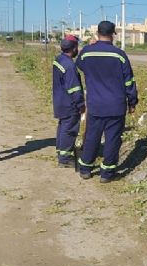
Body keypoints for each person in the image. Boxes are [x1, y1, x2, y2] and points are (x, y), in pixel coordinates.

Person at [76, 21, 138, 183]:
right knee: (113, 139)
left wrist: (90, 46)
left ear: (97, 33)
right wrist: (132, 101)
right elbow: (129, 82)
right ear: (113, 34)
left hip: (96, 104)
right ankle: (107, 174)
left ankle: (85, 169)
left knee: (91, 137)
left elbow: (79, 65)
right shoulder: (119, 55)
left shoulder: (87, 52)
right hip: (116, 105)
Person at [52, 35, 85, 168]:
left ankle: (61, 152)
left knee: (62, 127)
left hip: (60, 101)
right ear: (74, 48)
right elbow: (74, 89)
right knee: (69, 129)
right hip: (69, 103)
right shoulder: (69, 65)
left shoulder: (59, 59)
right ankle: (64, 158)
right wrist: (81, 104)